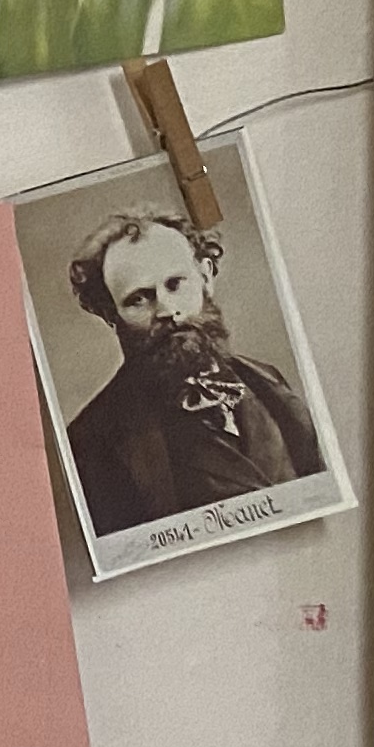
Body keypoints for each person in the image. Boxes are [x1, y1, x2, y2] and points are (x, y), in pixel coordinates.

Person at [60, 208, 326, 533]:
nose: (167, 310)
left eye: (175, 284)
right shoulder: (92, 441)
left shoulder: (267, 380)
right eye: (138, 299)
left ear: (206, 277)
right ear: (110, 314)